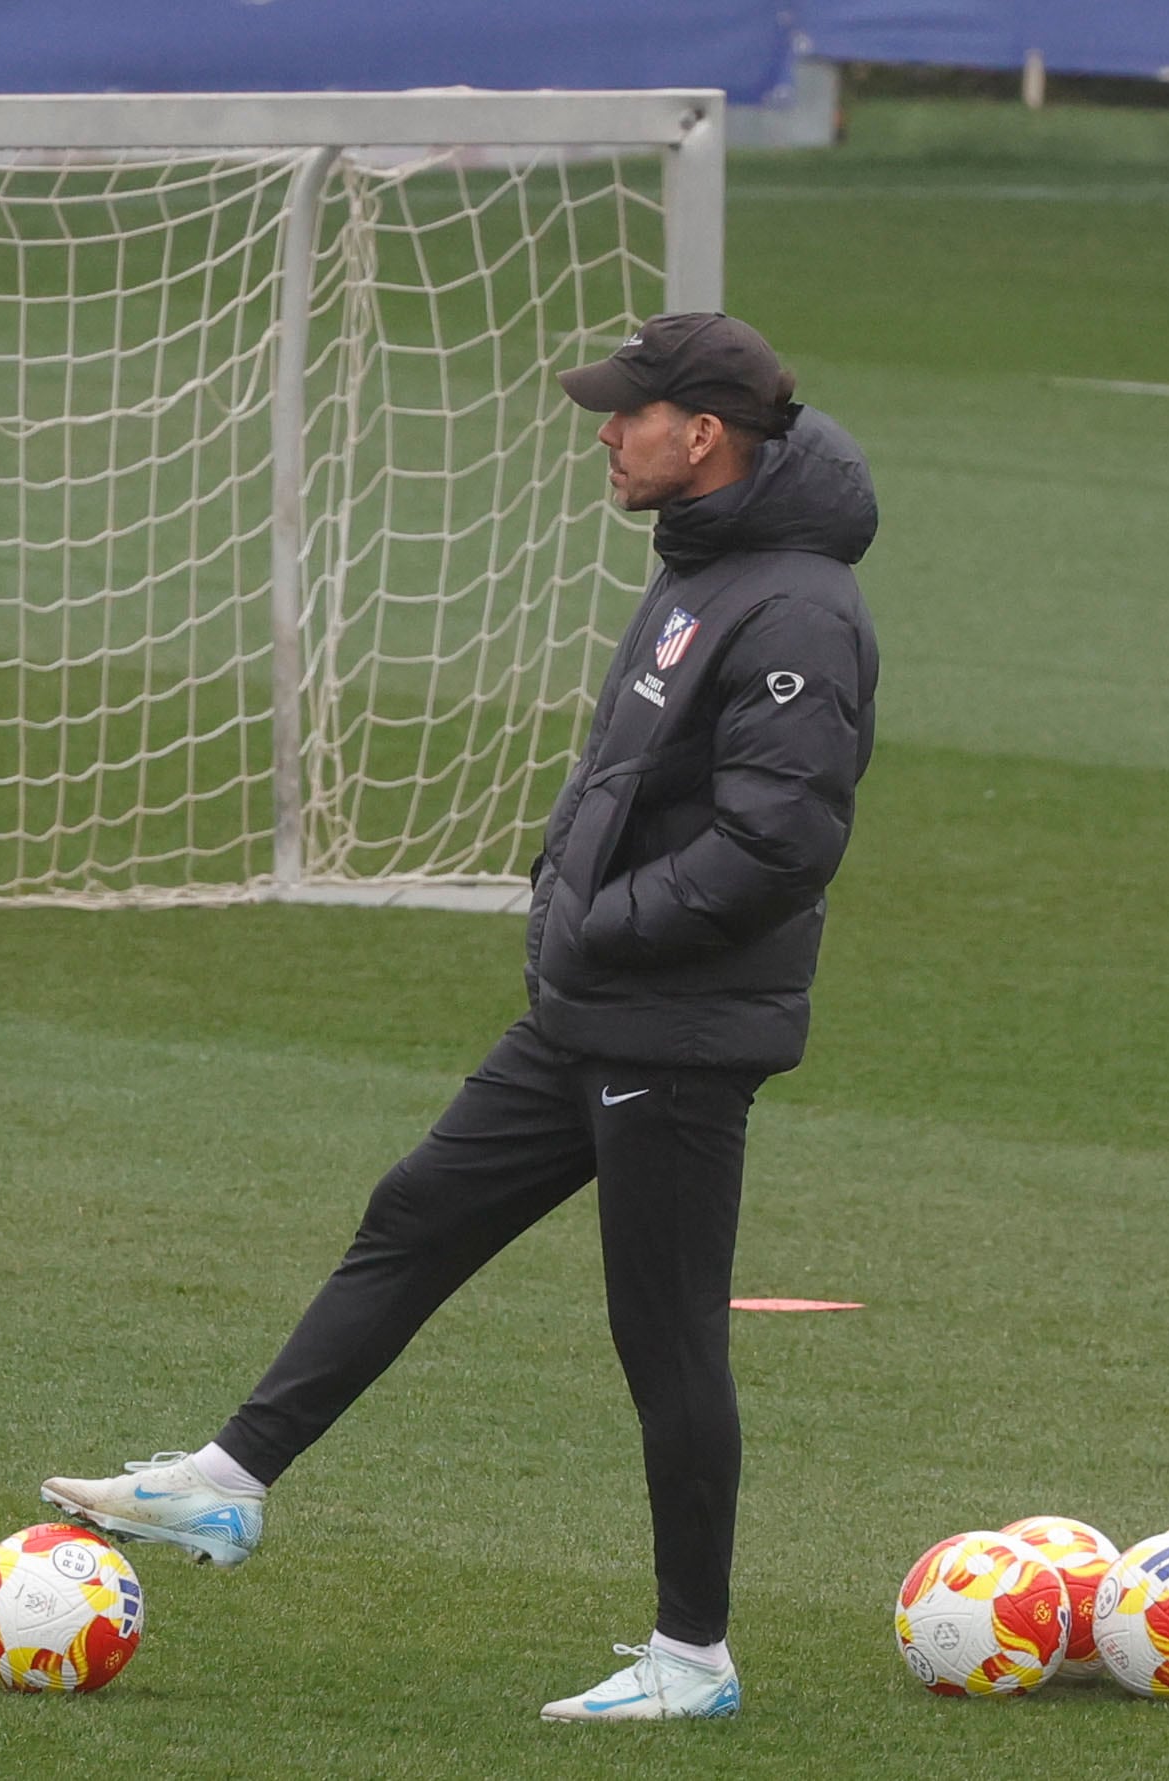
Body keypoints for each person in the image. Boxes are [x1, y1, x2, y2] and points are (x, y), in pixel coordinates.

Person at [43, 312, 879, 1722]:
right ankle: (228, 1483)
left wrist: (597, 924)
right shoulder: (702, 572)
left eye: (630, 414)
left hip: (668, 1035)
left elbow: (776, 846)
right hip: (594, 1011)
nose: (606, 434)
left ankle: (694, 1657)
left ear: (706, 433)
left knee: (664, 1335)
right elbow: (632, 783)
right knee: (419, 1206)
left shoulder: (793, 605)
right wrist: (572, 916)